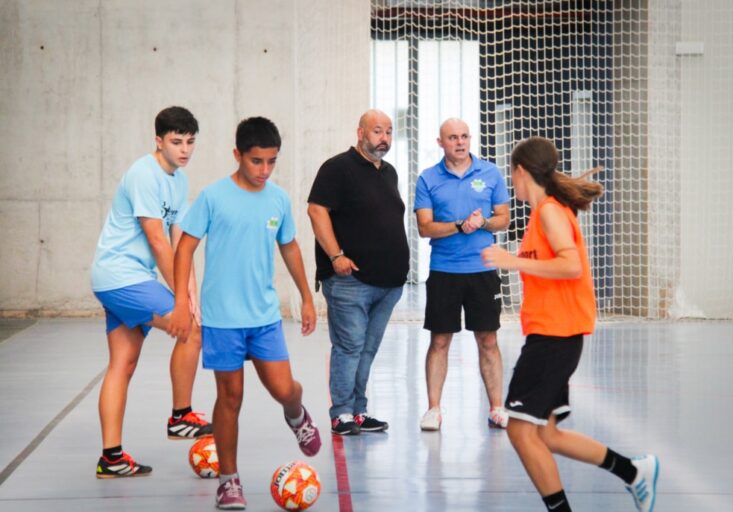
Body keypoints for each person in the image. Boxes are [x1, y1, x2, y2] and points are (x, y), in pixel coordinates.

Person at [481, 136, 659, 512]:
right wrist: (515, 259)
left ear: (520, 171)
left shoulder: (548, 210)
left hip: (555, 336)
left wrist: (512, 262)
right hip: (554, 334)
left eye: (511, 174)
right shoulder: (546, 211)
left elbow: (570, 265)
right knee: (545, 433)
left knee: (519, 430)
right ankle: (633, 472)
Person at [169, 117, 321, 510]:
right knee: (230, 396)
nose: (264, 170)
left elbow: (289, 247)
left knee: (283, 389)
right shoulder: (213, 197)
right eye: (256, 161)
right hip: (222, 319)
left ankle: (298, 416)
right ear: (237, 155)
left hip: (264, 316)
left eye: (272, 162)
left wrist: (306, 296)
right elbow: (184, 248)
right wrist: (181, 304)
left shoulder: (278, 199)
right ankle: (229, 480)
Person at [90, 106, 211, 479]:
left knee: (122, 365)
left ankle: (111, 458)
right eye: (176, 142)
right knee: (191, 330)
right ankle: (180, 417)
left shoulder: (177, 181)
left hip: (123, 279)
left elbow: (181, 243)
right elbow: (158, 242)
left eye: (190, 142)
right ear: (158, 140)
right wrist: (180, 301)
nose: (184, 150)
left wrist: (191, 293)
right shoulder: (145, 174)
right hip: (123, 277)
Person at [307, 109, 409, 436]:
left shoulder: (389, 172)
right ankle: (341, 414)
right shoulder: (337, 168)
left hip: (389, 283)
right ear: (360, 133)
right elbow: (316, 209)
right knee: (349, 347)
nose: (384, 138)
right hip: (350, 282)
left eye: (389, 132)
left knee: (367, 349)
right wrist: (335, 254)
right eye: (378, 131)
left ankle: (358, 410)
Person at [414, 118, 511, 431]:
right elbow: (424, 227)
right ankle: (433, 410)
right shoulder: (428, 179)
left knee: (488, 339)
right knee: (440, 341)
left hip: (483, 270)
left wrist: (482, 223)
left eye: (465, 136)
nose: (460, 142)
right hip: (445, 271)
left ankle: (497, 408)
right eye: (452, 137)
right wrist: (459, 225)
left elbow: (504, 219)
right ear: (440, 142)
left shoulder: (490, 173)